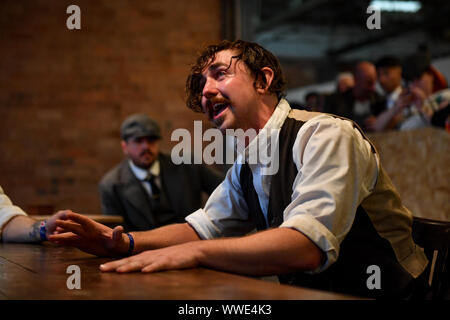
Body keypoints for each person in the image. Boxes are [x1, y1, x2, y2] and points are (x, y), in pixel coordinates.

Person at [49, 40, 429, 299]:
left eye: (219, 74)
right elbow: (203, 227)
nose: (205, 92)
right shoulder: (247, 161)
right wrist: (123, 243)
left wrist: (197, 254)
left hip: (391, 294)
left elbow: (306, 246)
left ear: (263, 80)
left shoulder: (326, 134)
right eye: (202, 84)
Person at [99, 113, 224, 231]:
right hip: (143, 251)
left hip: (192, 244)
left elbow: (226, 190)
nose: (145, 147)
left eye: (151, 140)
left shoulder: (187, 165)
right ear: (125, 147)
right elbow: (116, 235)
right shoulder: (111, 185)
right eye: (138, 141)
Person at [368, 52, 450, 132]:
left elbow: (440, 123)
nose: (415, 84)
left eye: (418, 77)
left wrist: (424, 105)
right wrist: (396, 107)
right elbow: (377, 127)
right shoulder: (410, 104)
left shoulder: (444, 96)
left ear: (431, 75)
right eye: (411, 80)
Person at [323, 62, 386, 132]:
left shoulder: (380, 101)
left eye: (374, 82)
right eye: (368, 82)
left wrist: (380, 122)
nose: (372, 87)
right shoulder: (335, 101)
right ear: (356, 79)